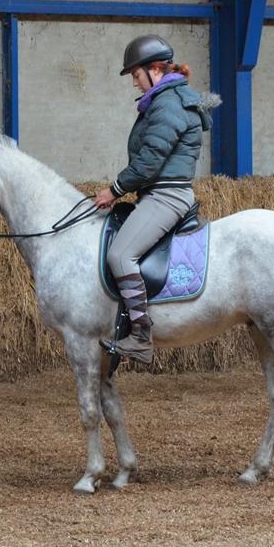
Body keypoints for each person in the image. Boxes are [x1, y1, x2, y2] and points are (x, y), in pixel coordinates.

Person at [93, 34, 215, 364]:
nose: (134, 83)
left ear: (156, 70)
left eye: (136, 75)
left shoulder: (168, 103)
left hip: (166, 195)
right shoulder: (167, 100)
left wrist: (114, 190)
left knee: (120, 256)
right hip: (157, 192)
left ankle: (141, 336)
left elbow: (149, 161)